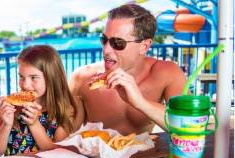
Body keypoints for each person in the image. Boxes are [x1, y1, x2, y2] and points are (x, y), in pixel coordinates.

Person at [69, 4, 186, 135]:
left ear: (144, 46)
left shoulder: (167, 73)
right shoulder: (83, 78)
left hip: (147, 155)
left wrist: (140, 102)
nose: (106, 50)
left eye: (118, 43)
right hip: (94, 155)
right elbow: (63, 133)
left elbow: (186, 128)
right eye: (104, 40)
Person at [0, 45, 84, 156]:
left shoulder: (64, 109)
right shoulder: (10, 106)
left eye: (33, 77)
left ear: (51, 78)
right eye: (21, 77)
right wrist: (6, 125)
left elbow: (57, 151)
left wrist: (34, 124)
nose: (25, 85)